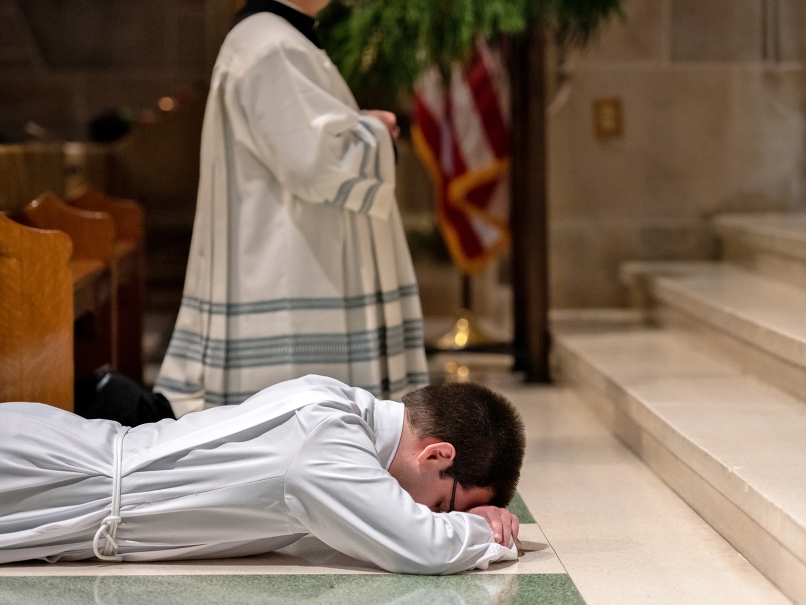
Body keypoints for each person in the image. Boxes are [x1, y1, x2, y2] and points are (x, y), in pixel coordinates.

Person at [155, 0, 428, 418]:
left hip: (298, 254)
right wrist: (377, 132)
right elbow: (314, 162)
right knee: (304, 423)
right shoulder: (272, 45)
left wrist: (359, 125)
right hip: (295, 274)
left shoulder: (275, 38)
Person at [0, 375, 525, 574]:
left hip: (56, 466)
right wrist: (488, 529)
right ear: (436, 456)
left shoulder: (337, 404)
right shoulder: (329, 446)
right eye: (441, 504)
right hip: (44, 479)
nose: (423, 511)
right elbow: (423, 547)